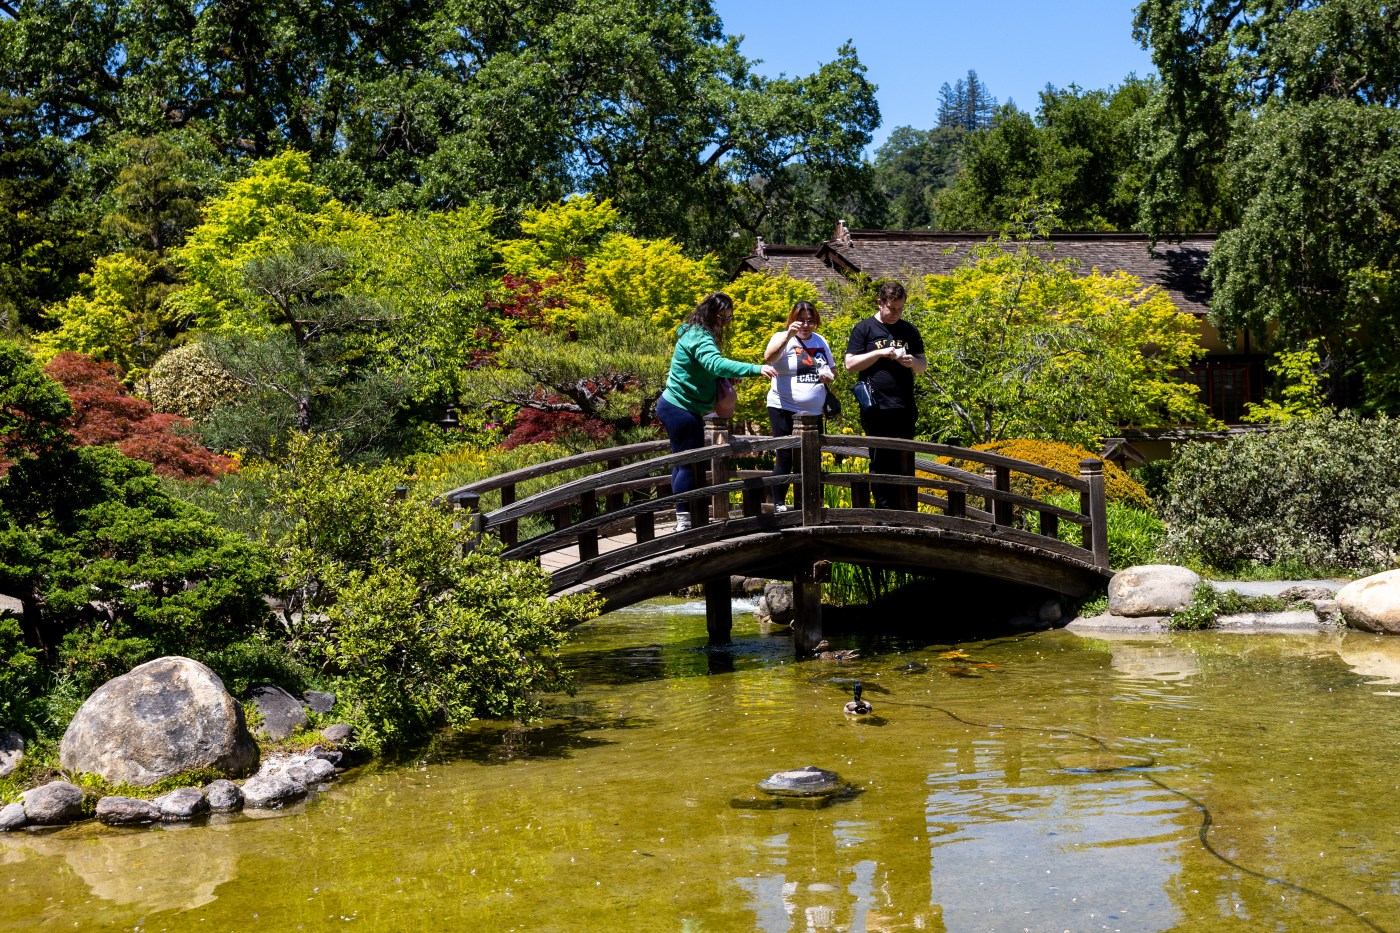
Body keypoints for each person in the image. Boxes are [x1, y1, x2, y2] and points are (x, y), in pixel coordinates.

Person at [658, 292, 777, 531]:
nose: (725, 322)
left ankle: (684, 517)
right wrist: (755, 369)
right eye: (722, 317)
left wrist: (726, 376)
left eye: (728, 318)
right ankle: (684, 520)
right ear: (710, 314)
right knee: (688, 464)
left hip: (680, 407)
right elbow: (714, 363)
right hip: (679, 408)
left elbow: (707, 369)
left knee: (683, 462)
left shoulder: (696, 333)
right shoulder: (698, 336)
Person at [844, 281, 926, 509]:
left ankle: (907, 509)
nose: (896, 314)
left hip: (904, 406)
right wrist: (880, 352)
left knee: (905, 458)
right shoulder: (864, 328)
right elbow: (850, 364)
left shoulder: (908, 330)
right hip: (876, 406)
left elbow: (922, 365)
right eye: (892, 308)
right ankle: (884, 510)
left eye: (900, 308)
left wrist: (912, 362)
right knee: (880, 459)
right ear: (880, 303)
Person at [764, 301, 835, 509]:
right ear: (792, 320)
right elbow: (769, 358)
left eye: (810, 321)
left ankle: (813, 503)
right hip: (783, 405)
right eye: (801, 320)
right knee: (785, 454)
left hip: (813, 410)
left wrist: (828, 377)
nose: (805, 325)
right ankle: (778, 502)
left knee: (812, 456)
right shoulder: (781, 337)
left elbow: (833, 370)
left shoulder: (820, 340)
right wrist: (788, 335)